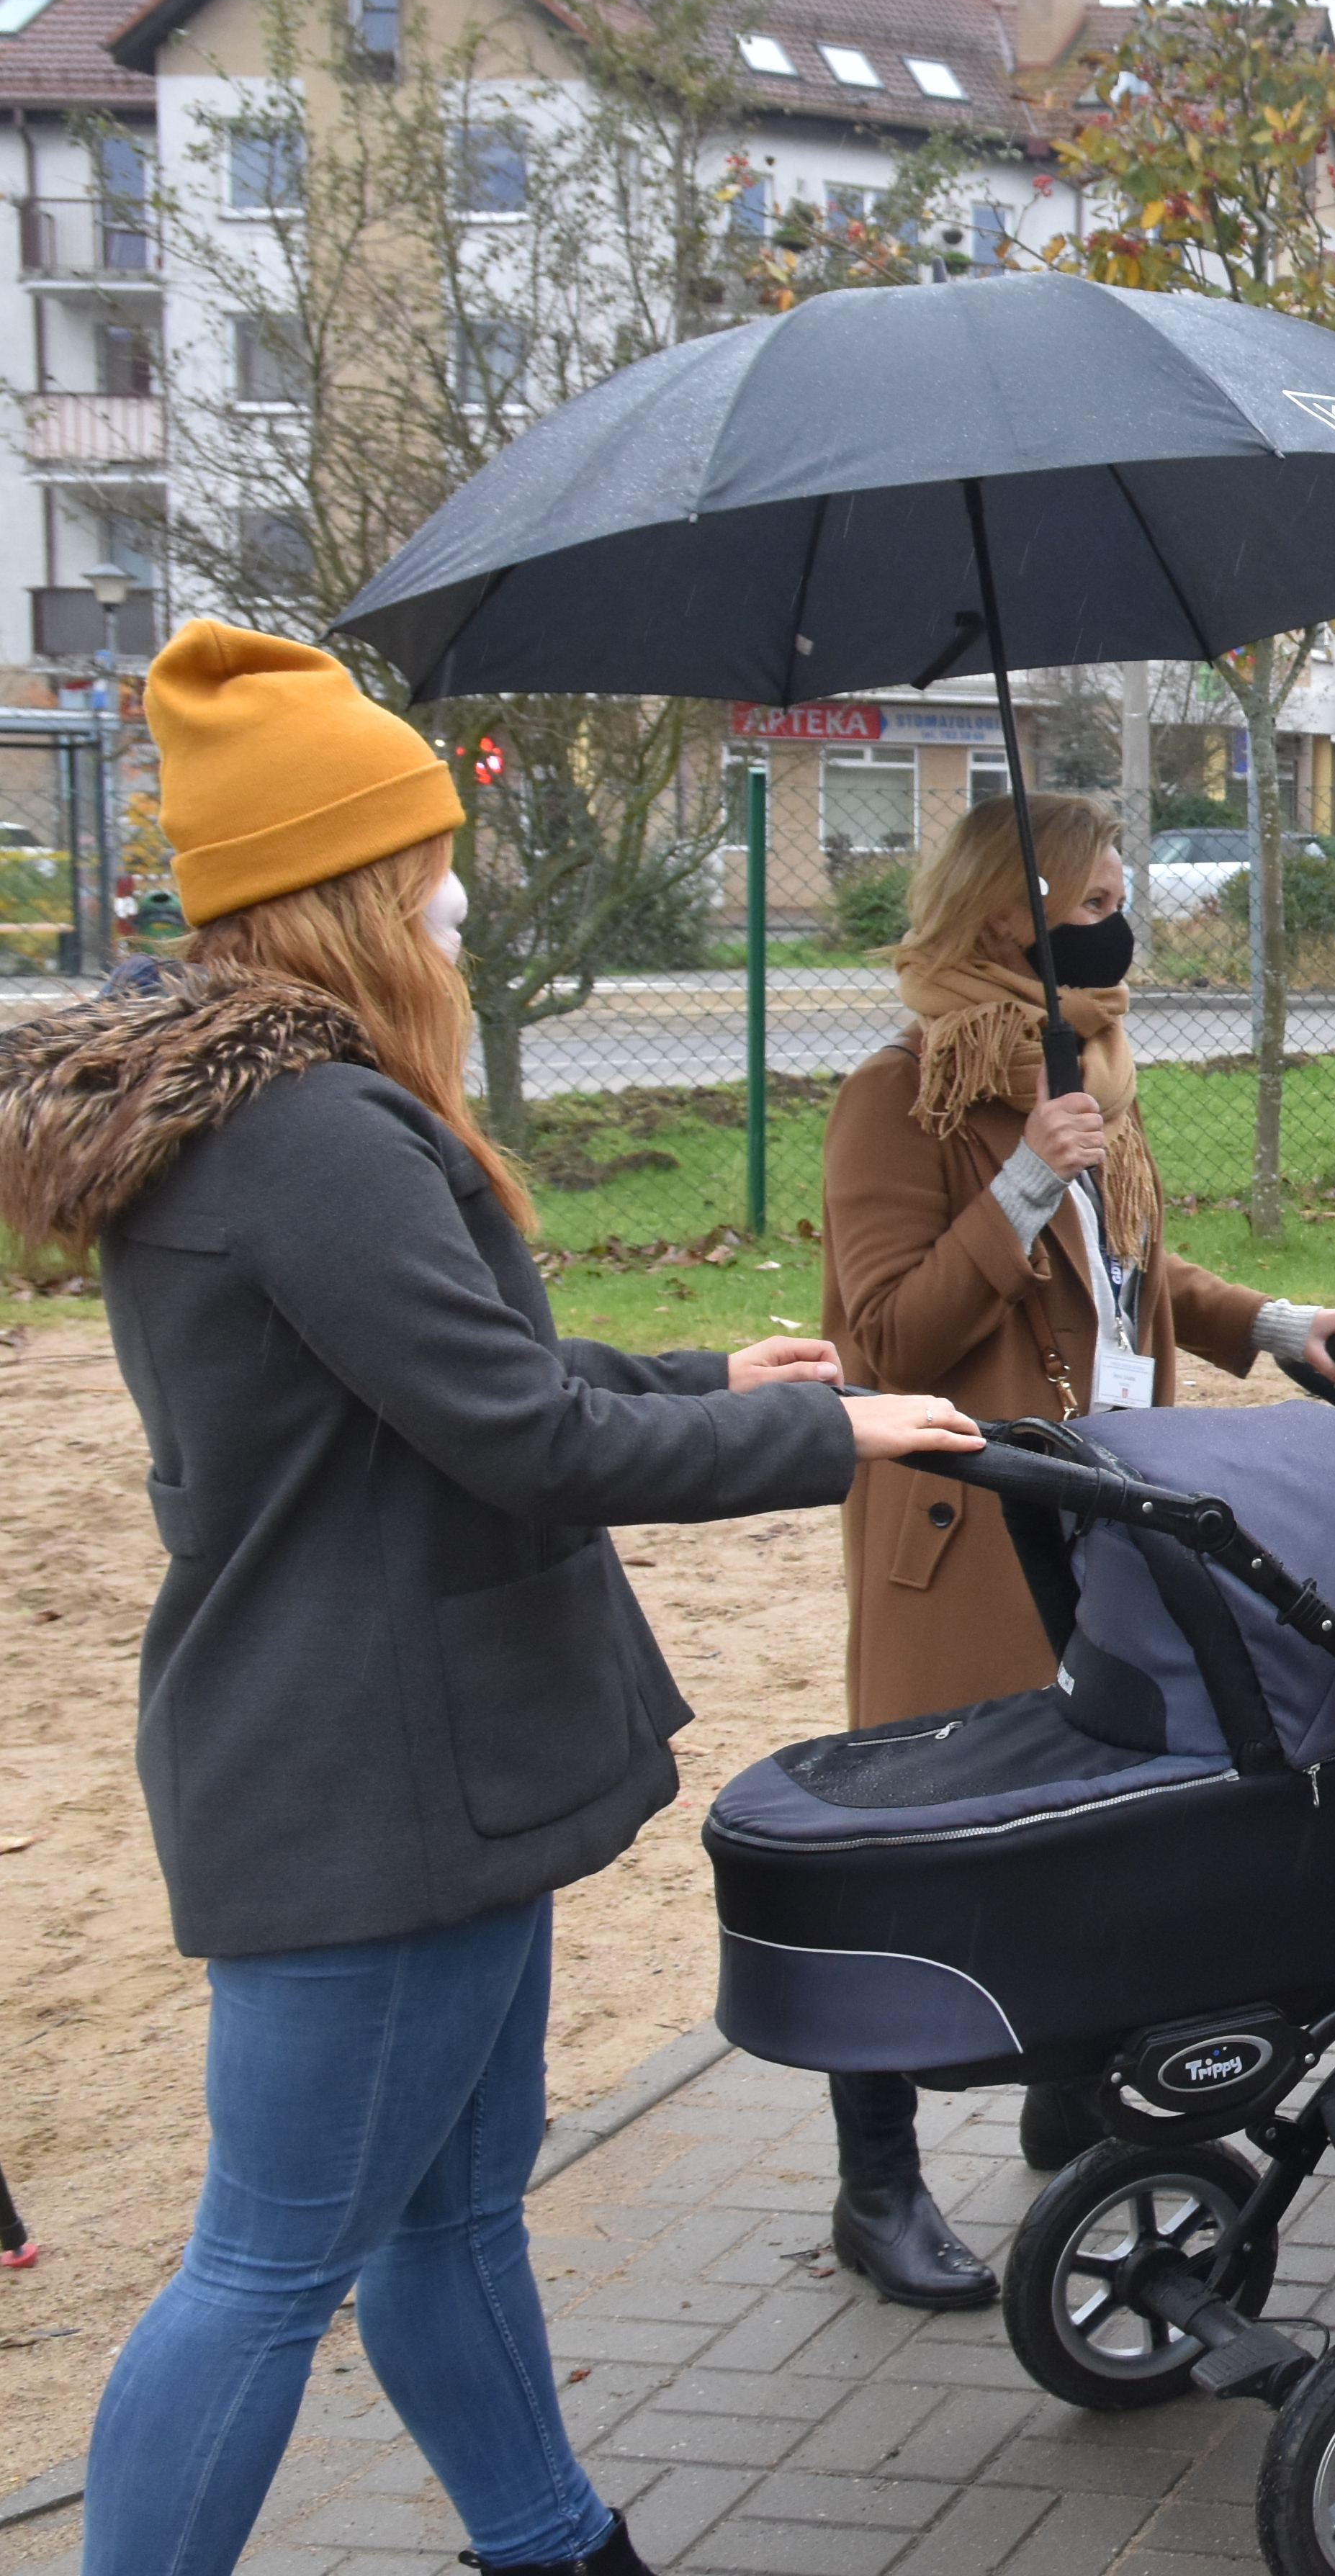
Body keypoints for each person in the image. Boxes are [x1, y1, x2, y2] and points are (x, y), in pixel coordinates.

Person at [0, 624, 981, 2576]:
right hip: (375, 1782)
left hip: (398, 1761)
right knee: (269, 2266)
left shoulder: (283, 1110)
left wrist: (714, 1383)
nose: (459, 889)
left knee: (447, 2223)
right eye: (428, 855)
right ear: (345, 887)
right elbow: (524, 1441)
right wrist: (839, 1433)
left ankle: (555, 2545)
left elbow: (455, 1373)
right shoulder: (308, 1132)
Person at [813, 793, 1335, 2307]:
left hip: (1116, 1511)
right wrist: (1017, 1185)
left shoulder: (1091, 1072)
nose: (1128, 919)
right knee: (924, 1851)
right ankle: (877, 2181)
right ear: (1014, 915)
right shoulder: (901, 1095)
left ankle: (1079, 2100)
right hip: (979, 1526)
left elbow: (1135, 1279)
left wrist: (1266, 1323)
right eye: (1103, 895)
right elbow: (880, 1335)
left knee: (1114, 1818)